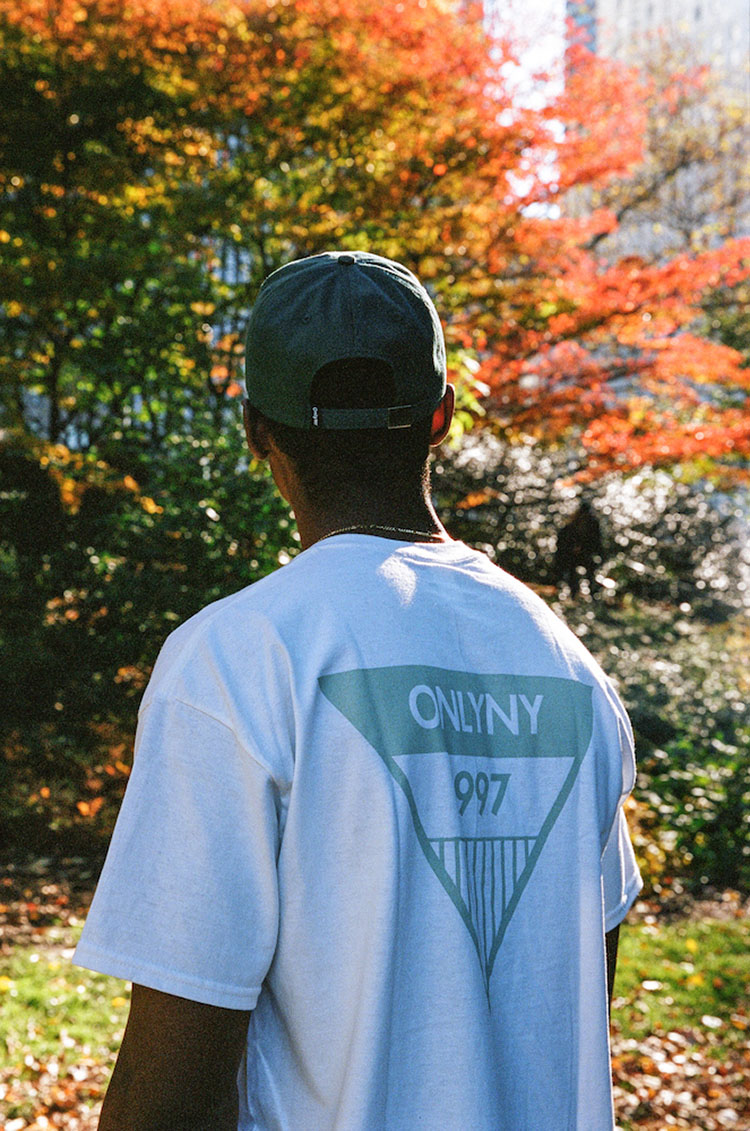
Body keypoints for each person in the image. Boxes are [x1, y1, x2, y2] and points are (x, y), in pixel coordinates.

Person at [74, 250, 642, 1131]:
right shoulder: (567, 665)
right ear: (441, 416)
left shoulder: (236, 659)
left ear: (256, 428)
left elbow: (173, 1088)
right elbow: (571, 994)